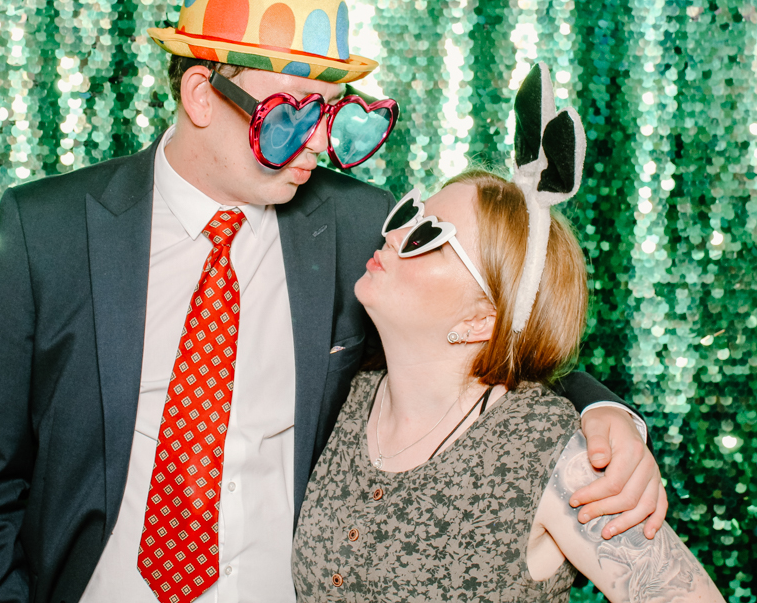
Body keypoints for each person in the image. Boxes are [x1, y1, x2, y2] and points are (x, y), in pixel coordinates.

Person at [0, 0, 666, 603]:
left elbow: (493, 311)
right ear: (201, 97)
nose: (319, 146)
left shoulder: (359, 227)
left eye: (331, 114)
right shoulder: (51, 230)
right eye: (288, 117)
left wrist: (607, 419)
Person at [292, 67, 723, 602]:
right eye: (410, 213)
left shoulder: (543, 446)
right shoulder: (352, 397)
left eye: (430, 235)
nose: (395, 231)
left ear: (482, 320)